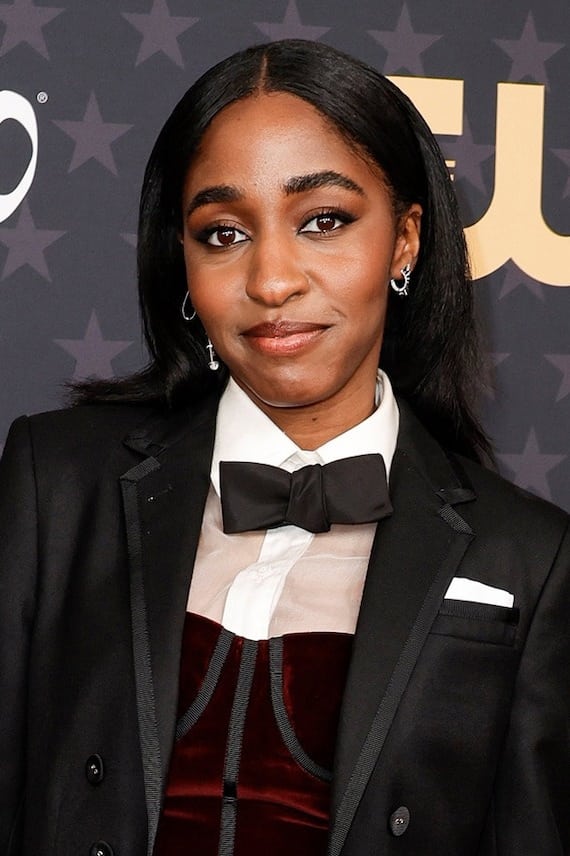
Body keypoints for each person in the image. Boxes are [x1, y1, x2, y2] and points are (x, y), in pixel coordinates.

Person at [1, 39, 569, 856]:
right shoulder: (55, 484)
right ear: (183, 260)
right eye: (224, 233)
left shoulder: (529, 559)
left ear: (405, 240)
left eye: (323, 221)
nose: (272, 280)